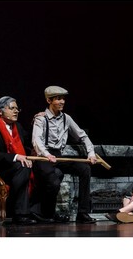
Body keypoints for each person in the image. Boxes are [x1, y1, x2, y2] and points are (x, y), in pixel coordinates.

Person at [30, 85, 97, 224]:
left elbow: (82, 135)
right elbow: (36, 140)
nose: (62, 102)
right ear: (49, 100)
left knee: (85, 169)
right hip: (42, 157)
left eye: (63, 99)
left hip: (58, 156)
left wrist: (91, 153)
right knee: (54, 179)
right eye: (58, 99)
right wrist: (46, 154)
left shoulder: (67, 118)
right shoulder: (41, 119)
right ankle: (46, 214)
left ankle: (83, 213)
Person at [0, 96, 36, 225]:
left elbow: (28, 144)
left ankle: (40, 212)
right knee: (23, 166)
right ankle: (21, 214)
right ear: (0, 111)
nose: (16, 111)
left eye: (17, 108)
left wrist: (37, 121)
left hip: (16, 168)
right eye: (12, 108)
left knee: (47, 169)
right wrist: (16, 157)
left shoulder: (18, 127)